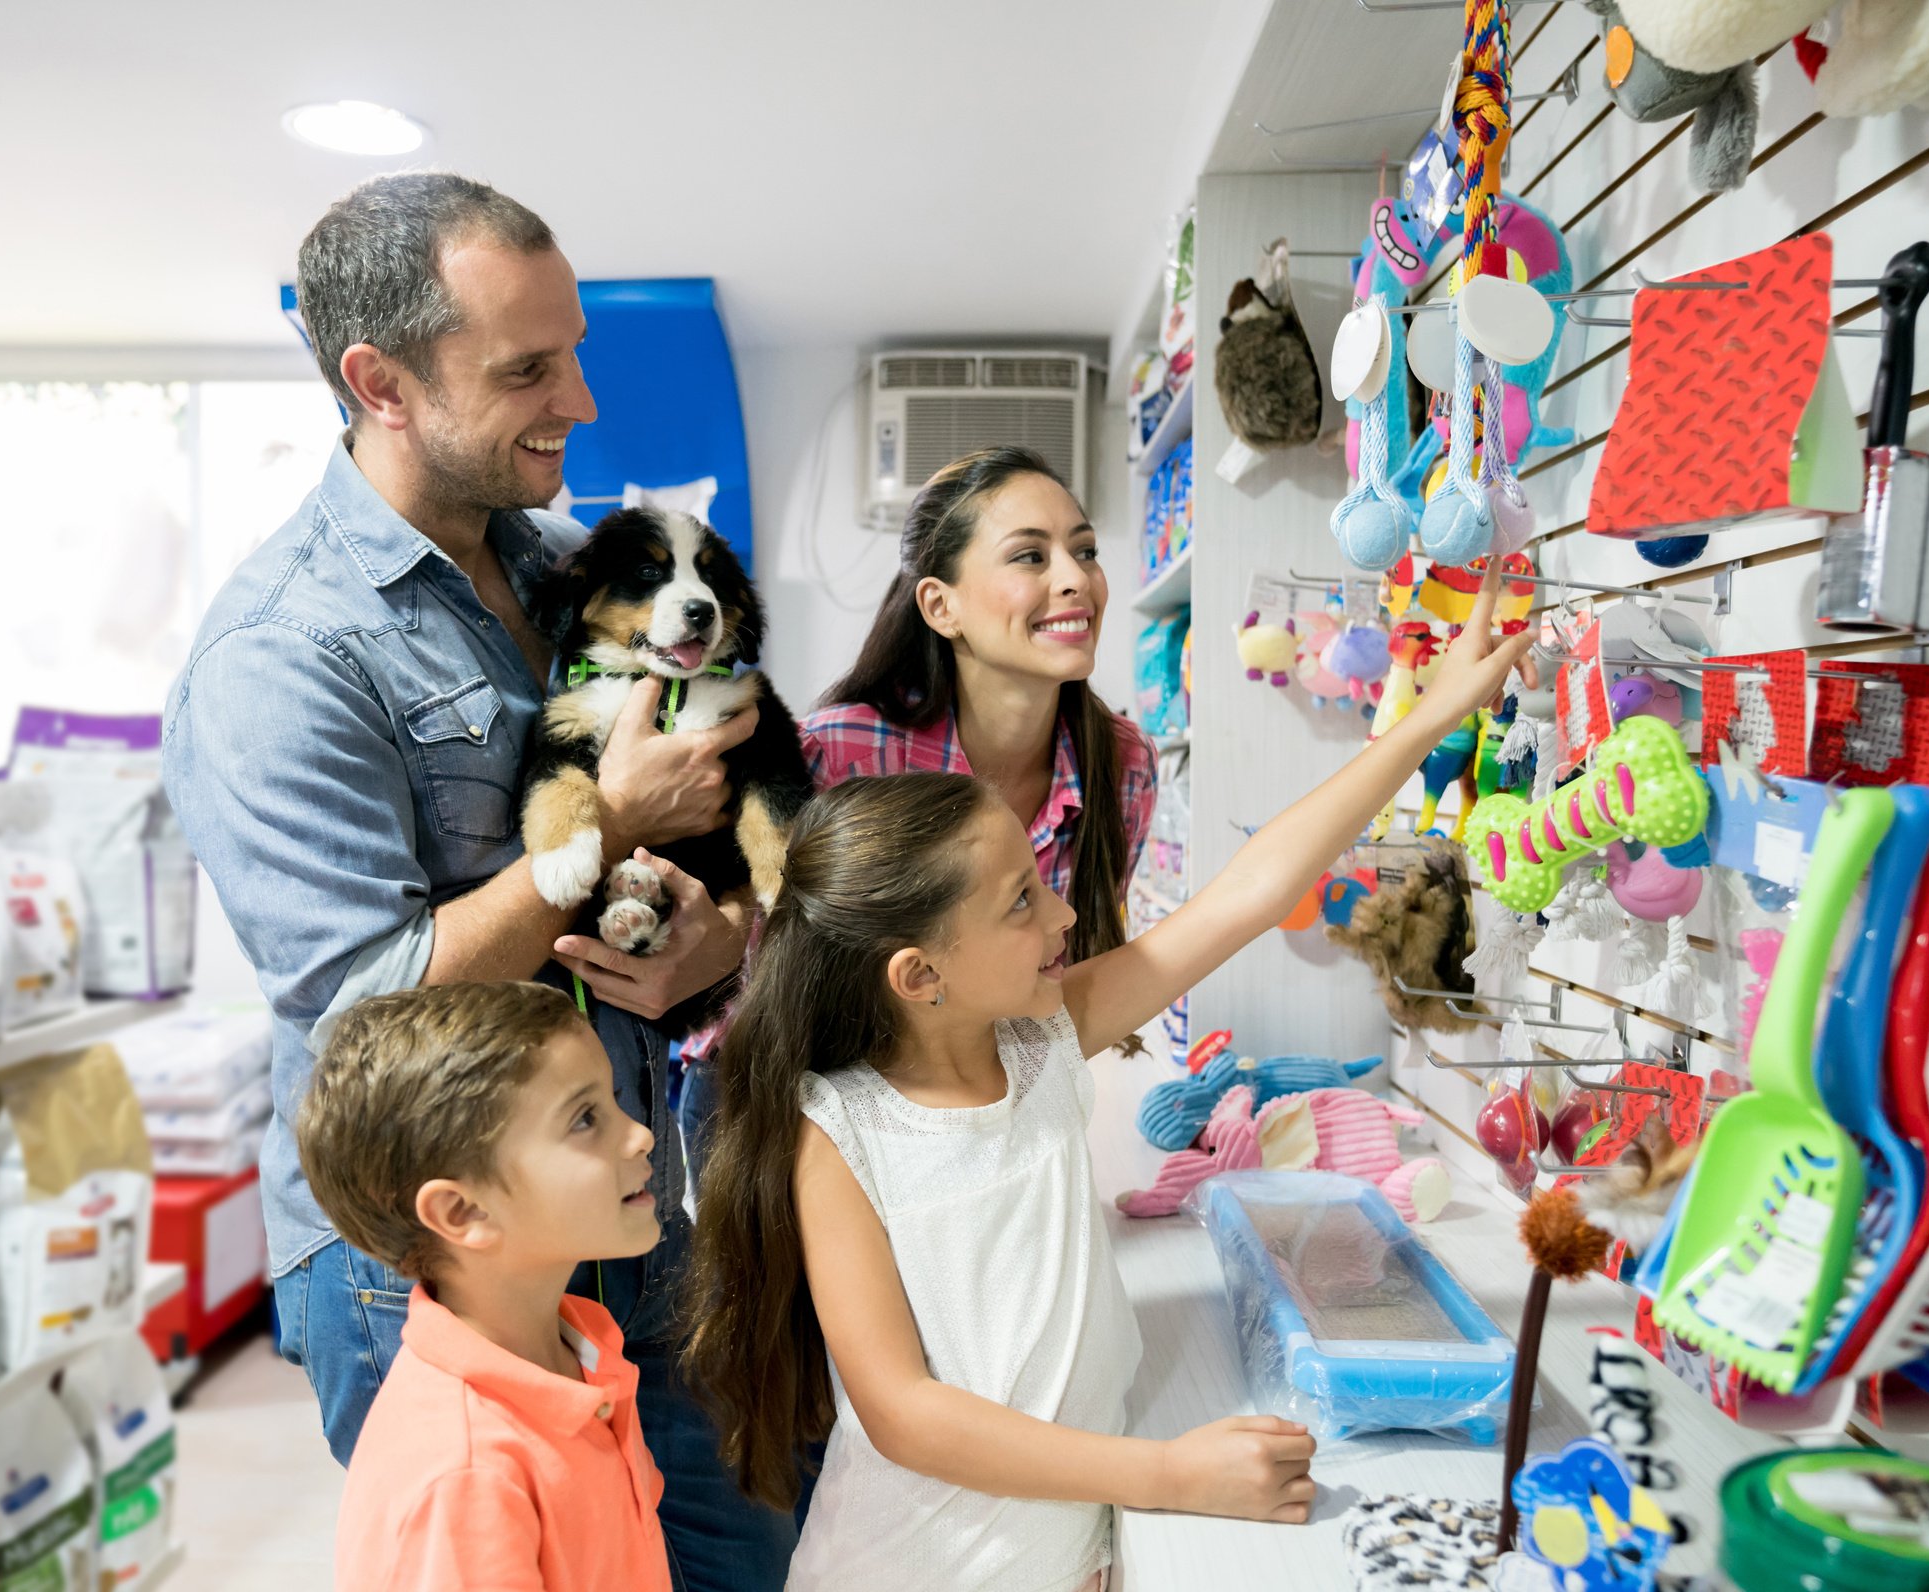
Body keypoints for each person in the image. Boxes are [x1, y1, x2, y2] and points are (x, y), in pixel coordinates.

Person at [161, 172, 794, 1585]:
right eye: (525, 369)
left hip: (633, 1193)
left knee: (742, 1558)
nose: (576, 399)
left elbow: (738, 812)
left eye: (572, 349)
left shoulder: (583, 564)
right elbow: (355, 1019)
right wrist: (595, 835)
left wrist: (719, 939)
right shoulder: (279, 656)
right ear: (379, 381)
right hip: (427, 1262)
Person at [683, 576, 1532, 1592]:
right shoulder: (841, 1131)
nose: (1062, 916)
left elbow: (1252, 890)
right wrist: (1162, 1473)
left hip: (1064, 1546)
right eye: (1020, 903)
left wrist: (1429, 718)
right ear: (920, 976)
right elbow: (906, 1414)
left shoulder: (1038, 1040)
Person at [678, 445, 1156, 1181]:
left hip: (972, 1105)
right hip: (785, 1101)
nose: (1076, 579)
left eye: (1084, 550)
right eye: (1029, 556)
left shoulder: (1123, 764)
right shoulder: (838, 753)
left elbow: (1061, 975)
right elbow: (767, 975)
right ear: (941, 605)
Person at [299, 982, 669, 1592]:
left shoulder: (578, 1355)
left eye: (615, 1099)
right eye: (584, 1119)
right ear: (463, 1212)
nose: (639, 1135)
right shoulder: (466, 1475)